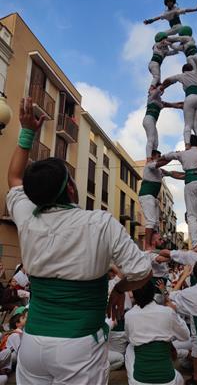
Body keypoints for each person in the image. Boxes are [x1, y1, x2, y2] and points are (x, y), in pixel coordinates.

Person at [6, 98, 152, 385]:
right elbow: (142, 272)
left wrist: (26, 134)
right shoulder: (100, 223)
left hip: (33, 343)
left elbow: (13, 177)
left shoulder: (26, 216)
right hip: (79, 346)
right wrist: (119, 289)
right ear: (71, 188)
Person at [125, 280, 190, 384]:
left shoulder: (129, 315)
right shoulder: (167, 312)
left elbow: (130, 339)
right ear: (153, 294)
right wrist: (174, 313)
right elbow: (185, 335)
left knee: (130, 348)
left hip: (139, 381)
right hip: (169, 381)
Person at [158, 135, 197, 252]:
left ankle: (196, 244)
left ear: (188, 143)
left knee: (192, 215)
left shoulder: (184, 153)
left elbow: (168, 155)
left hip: (191, 183)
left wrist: (158, 160)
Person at [161, 63, 197, 149]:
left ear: (183, 70)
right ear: (192, 69)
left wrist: (162, 87)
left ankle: (187, 145)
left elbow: (168, 80)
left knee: (188, 125)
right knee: (196, 126)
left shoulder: (183, 75)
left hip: (190, 97)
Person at [138, 149, 169, 250]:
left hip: (153, 198)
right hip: (146, 195)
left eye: (160, 156)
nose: (160, 158)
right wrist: (172, 156)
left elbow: (172, 173)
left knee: (155, 223)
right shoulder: (149, 164)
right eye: (158, 156)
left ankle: (153, 242)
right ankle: (147, 246)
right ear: (152, 157)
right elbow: (161, 162)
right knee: (151, 221)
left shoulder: (159, 171)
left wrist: (187, 174)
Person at [143, 84, 183, 160]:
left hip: (152, 122)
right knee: (151, 139)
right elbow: (158, 89)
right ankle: (148, 159)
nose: (162, 91)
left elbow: (174, 105)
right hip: (148, 119)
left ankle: (153, 157)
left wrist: (183, 105)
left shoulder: (161, 102)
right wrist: (162, 85)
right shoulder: (152, 96)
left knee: (156, 142)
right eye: (162, 90)